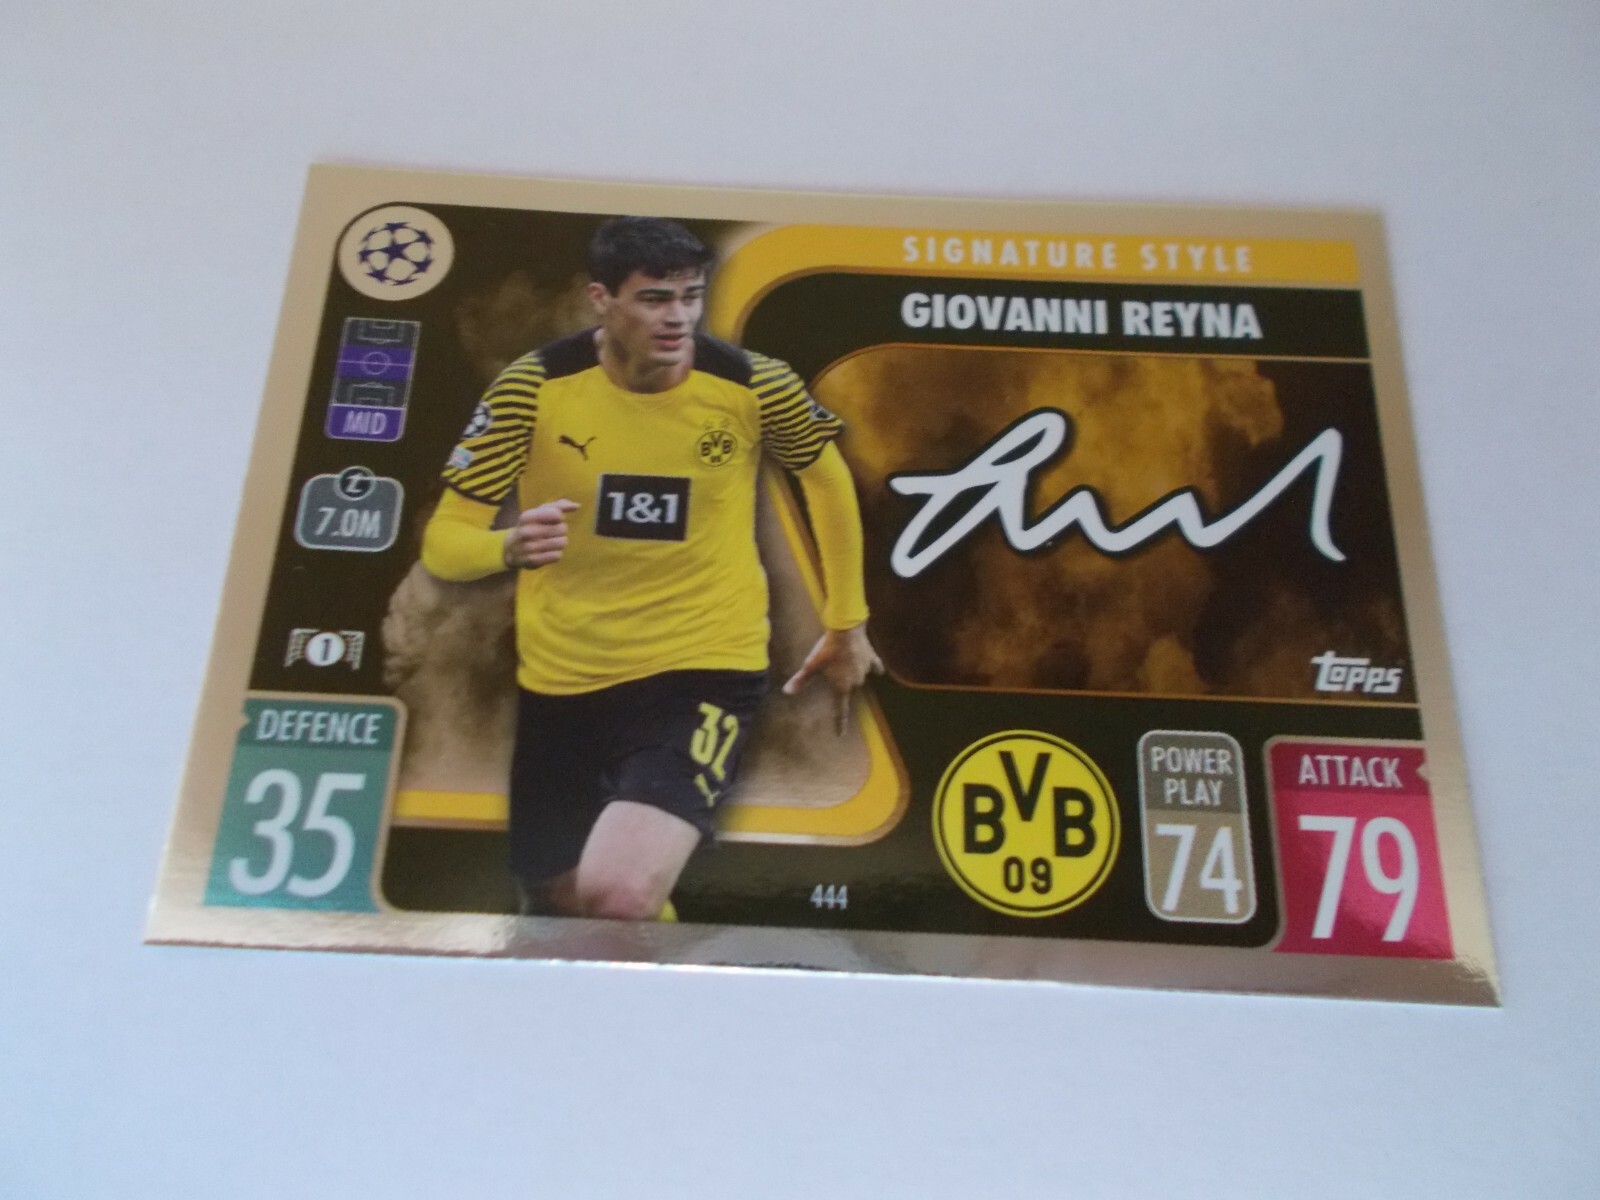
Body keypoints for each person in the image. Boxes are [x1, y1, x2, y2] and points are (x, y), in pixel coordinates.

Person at [420, 216, 880, 921]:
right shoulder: (533, 389)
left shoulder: (753, 384)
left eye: (690, 297)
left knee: (617, 893)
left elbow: (824, 476)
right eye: (655, 299)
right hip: (561, 682)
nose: (678, 317)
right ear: (601, 300)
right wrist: (503, 548)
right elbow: (445, 541)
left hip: (702, 667)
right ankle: (665, 948)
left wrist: (846, 621)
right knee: (555, 899)